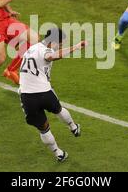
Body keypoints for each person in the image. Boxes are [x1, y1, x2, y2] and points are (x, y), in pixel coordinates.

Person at [19, 28, 87, 162]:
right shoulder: (46, 50)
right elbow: (51, 56)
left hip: (27, 96)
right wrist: (76, 47)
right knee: (59, 110)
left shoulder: (31, 49)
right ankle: (73, 127)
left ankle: (58, 153)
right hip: (44, 93)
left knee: (43, 129)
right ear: (53, 41)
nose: (59, 47)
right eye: (60, 44)